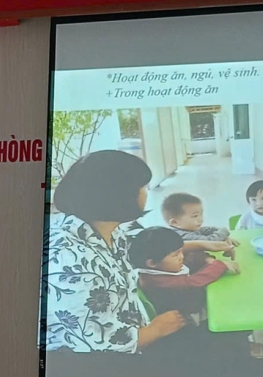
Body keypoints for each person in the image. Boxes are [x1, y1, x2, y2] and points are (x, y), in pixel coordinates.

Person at [44, 151, 184, 352]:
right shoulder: (70, 260)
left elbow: (148, 244)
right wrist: (156, 330)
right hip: (95, 363)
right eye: (143, 187)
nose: (146, 193)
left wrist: (201, 245)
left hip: (133, 331)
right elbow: (97, 344)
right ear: (121, 195)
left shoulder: (107, 229)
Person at [128, 226, 239, 326]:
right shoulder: (156, 282)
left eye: (181, 251)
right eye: (176, 254)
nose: (181, 256)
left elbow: (190, 257)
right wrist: (220, 265)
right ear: (152, 263)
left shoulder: (161, 265)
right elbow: (192, 282)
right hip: (189, 319)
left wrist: (207, 259)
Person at [160, 192, 236, 254]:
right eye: (195, 216)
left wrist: (224, 237)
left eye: (201, 214)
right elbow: (209, 241)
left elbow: (208, 230)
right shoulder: (180, 235)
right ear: (175, 222)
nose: (201, 219)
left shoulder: (189, 229)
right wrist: (224, 230)